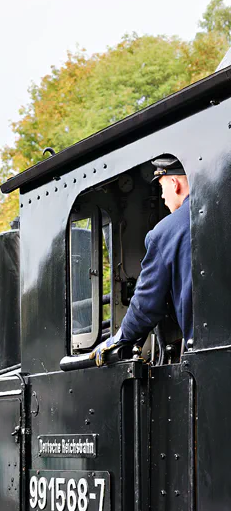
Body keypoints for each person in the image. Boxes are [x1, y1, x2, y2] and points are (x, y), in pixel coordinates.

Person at [91, 155, 192, 366]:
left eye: (162, 187)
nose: (163, 197)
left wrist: (118, 338)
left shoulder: (165, 233)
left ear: (174, 184)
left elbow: (147, 304)